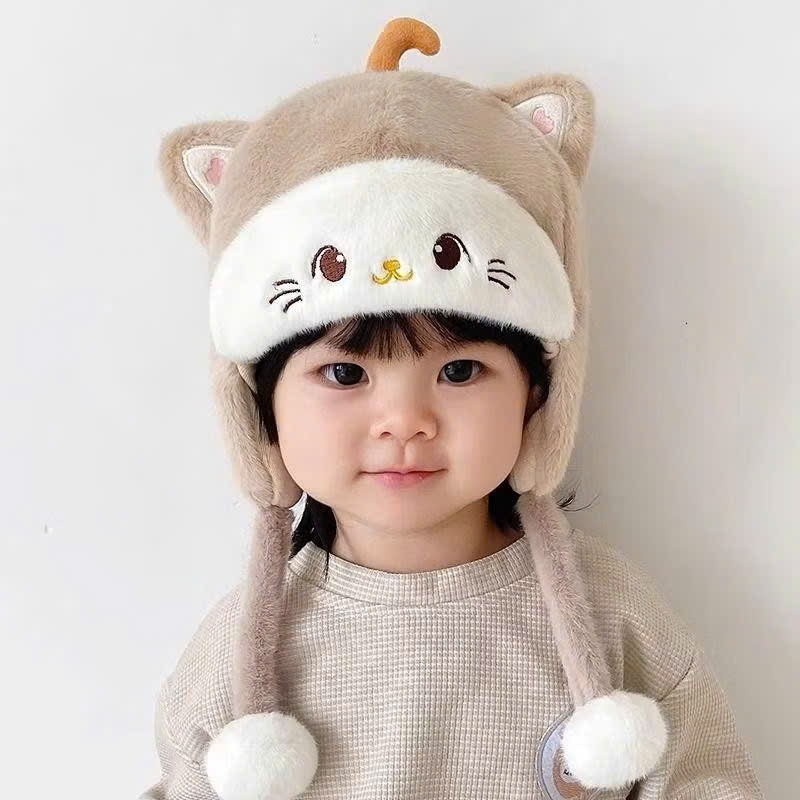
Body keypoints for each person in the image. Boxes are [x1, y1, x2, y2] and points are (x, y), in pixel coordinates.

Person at [141, 16, 765, 800]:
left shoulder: (614, 617)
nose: (405, 421)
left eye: (460, 369)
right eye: (344, 373)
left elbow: (709, 781)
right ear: (260, 412)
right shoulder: (239, 660)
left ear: (540, 394)